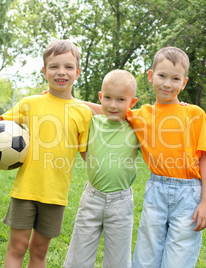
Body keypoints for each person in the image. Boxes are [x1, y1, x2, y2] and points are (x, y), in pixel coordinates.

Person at [0, 40, 92, 268]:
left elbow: (86, 154)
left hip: (55, 194)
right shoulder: (31, 103)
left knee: (39, 250)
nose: (61, 72)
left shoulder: (83, 112)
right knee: (18, 246)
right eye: (54, 67)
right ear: (44, 71)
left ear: (78, 72)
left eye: (69, 67)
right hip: (25, 190)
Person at [86, 47, 206, 268]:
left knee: (178, 259)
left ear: (184, 83)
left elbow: (205, 159)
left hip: (189, 194)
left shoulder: (195, 114)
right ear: (151, 75)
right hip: (156, 190)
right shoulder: (143, 115)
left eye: (175, 79)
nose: (167, 83)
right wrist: (66, 101)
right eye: (162, 76)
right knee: (145, 256)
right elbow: (109, 108)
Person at [64, 70, 139, 268]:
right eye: (107, 98)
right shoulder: (93, 122)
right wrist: (65, 98)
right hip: (92, 198)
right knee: (77, 259)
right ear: (100, 97)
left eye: (121, 99)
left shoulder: (136, 126)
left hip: (121, 202)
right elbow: (77, 105)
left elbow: (161, 114)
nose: (113, 105)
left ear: (132, 102)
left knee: (118, 261)